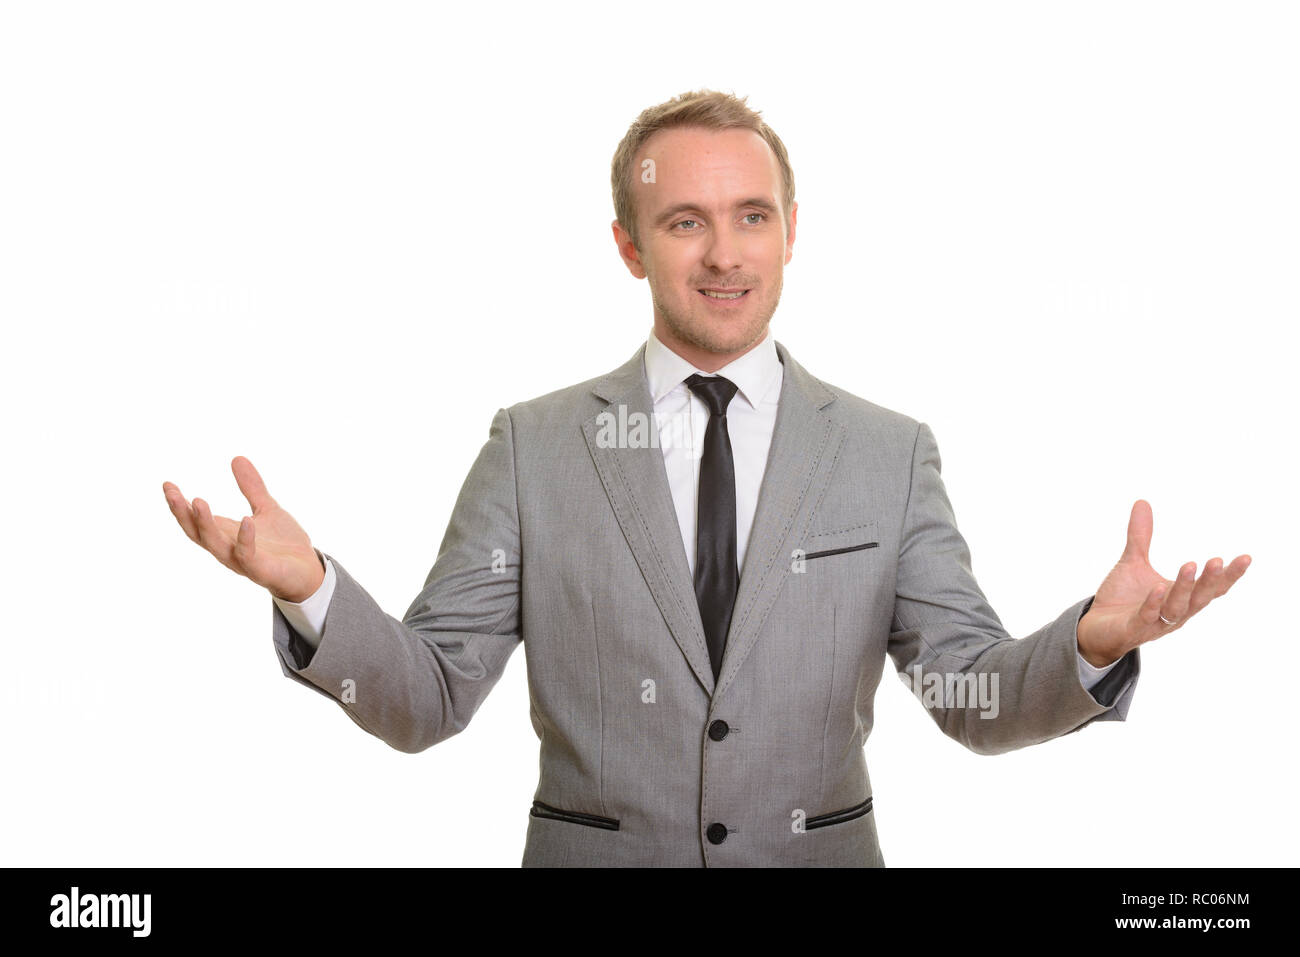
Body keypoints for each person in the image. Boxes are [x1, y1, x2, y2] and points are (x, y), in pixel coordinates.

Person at [162, 89, 1251, 866]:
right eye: (684, 221)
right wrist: (309, 591)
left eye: (750, 217)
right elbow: (428, 699)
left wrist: (1091, 647)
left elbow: (968, 697)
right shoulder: (534, 446)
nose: (723, 255)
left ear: (788, 235)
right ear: (631, 245)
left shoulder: (888, 452)